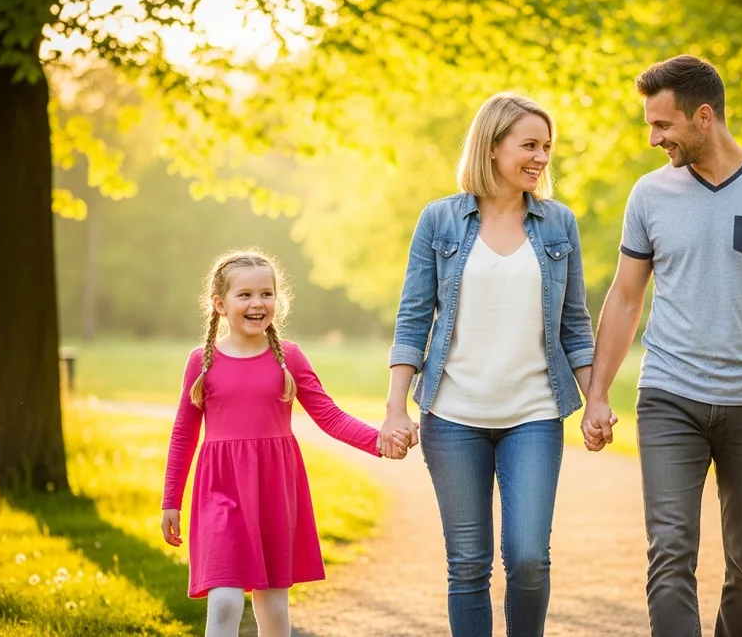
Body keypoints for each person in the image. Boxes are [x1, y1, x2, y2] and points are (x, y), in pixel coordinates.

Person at [581, 54, 742, 637]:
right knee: (669, 552)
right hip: (670, 395)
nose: (652, 138)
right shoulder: (649, 196)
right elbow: (623, 299)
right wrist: (596, 394)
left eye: (662, 125)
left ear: (703, 116)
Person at [381, 92, 595, 637]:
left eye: (547, 147)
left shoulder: (559, 224)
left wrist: (596, 400)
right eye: (529, 145)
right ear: (492, 145)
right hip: (452, 415)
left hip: (534, 413)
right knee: (468, 564)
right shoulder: (440, 220)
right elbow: (412, 317)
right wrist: (395, 409)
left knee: (528, 558)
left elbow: (575, 324)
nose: (541, 157)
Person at [160, 249, 410, 636]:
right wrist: (171, 500)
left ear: (278, 299)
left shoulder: (288, 358)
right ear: (219, 304)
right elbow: (183, 434)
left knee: (274, 607)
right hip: (220, 490)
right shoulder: (202, 362)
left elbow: (328, 415)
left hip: (274, 489)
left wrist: (377, 441)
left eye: (266, 293)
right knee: (224, 600)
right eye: (244, 295)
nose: (257, 303)